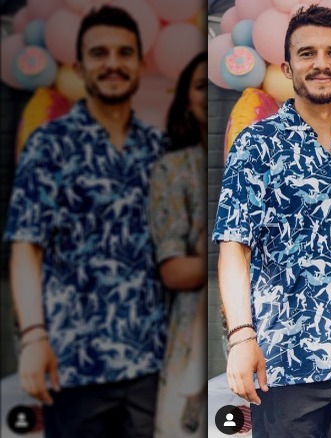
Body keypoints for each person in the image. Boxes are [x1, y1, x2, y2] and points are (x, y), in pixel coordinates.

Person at [212, 5, 331, 437]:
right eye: (307, 54)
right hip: (283, 363)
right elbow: (234, 246)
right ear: (287, 67)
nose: (321, 64)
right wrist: (241, 337)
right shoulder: (257, 144)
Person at [4, 5, 166, 436]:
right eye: (99, 53)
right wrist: (34, 337)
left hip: (152, 363)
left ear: (139, 63)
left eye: (124, 52)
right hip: (74, 363)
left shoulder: (159, 148)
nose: (112, 63)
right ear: (79, 65)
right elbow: (25, 246)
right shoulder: (49, 145)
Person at [149, 51, 207, 437]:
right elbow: (174, 271)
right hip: (190, 329)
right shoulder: (175, 169)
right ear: (187, 99)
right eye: (201, 86)